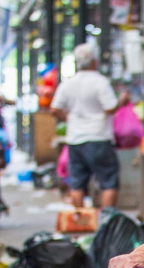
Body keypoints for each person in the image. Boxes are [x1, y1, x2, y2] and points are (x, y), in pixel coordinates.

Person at [51, 43, 128, 209]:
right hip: (99, 137)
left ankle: (80, 219)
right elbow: (110, 108)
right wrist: (121, 101)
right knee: (108, 182)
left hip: (75, 139)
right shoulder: (100, 82)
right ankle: (106, 219)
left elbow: (54, 109)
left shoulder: (68, 83)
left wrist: (69, 118)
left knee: (77, 183)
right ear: (94, 62)